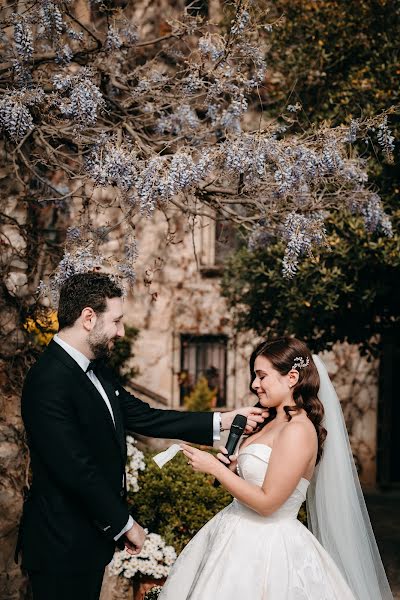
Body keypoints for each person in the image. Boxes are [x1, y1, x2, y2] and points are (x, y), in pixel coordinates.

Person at [16, 272, 267, 600]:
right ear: (88, 318)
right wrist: (123, 523)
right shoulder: (48, 380)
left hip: (87, 542)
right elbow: (75, 468)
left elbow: (146, 417)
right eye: (117, 321)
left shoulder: (97, 369)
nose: (121, 331)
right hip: (59, 545)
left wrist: (222, 420)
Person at [160, 337, 394, 600]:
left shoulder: (298, 430)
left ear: (292, 377)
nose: (254, 385)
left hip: (269, 548)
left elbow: (269, 503)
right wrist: (236, 467)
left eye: (261, 376)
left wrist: (216, 469)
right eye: (254, 376)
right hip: (233, 534)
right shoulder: (271, 421)